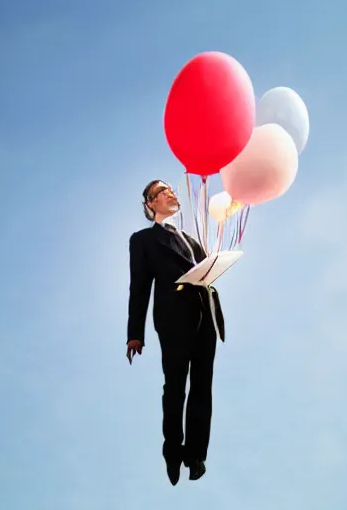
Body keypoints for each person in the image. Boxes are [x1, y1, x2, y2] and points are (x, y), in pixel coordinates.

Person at [126, 179, 225, 485]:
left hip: (205, 316)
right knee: (176, 386)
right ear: (150, 203)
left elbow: (206, 270)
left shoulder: (192, 240)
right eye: (162, 190)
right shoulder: (142, 240)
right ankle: (173, 451)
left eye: (171, 187)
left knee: (202, 387)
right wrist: (135, 333)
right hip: (173, 317)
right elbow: (140, 286)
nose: (170, 192)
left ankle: (196, 455)